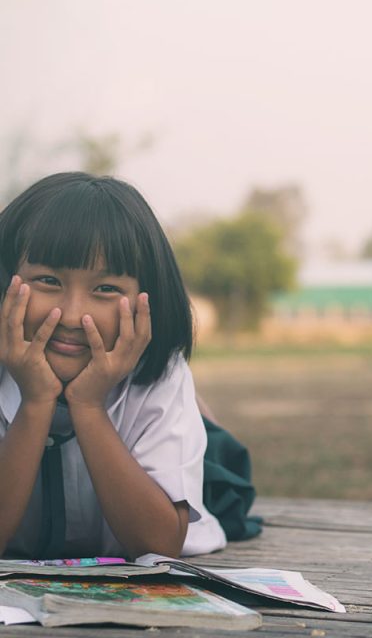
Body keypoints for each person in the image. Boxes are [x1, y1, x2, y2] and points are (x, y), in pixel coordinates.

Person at [0, 172, 228, 561]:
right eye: (47, 280)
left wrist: (88, 406)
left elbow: (159, 546)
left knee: (227, 469)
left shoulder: (160, 377)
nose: (72, 315)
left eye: (105, 289)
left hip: (209, 470)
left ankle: (204, 418)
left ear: (147, 299)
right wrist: (36, 402)